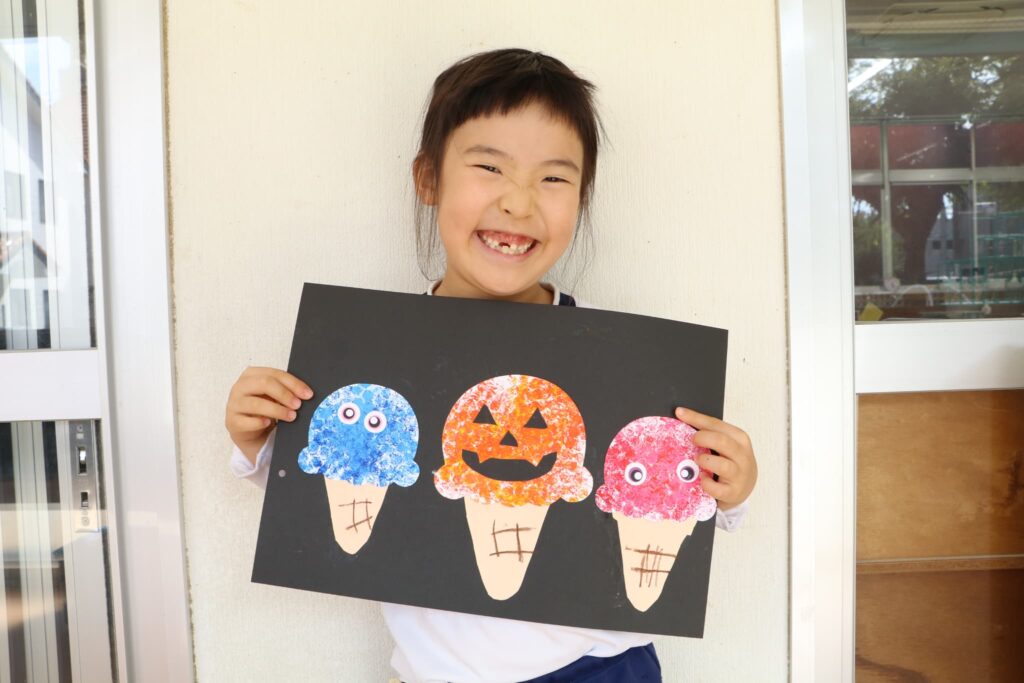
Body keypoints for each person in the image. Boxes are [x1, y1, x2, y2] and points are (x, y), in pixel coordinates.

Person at [225, 48, 758, 683]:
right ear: (429, 178)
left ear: (582, 197)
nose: (519, 203)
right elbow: (333, 490)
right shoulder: (371, 361)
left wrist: (732, 486)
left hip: (599, 669)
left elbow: (668, 499)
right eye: (489, 167)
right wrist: (259, 440)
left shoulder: (624, 362)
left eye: (554, 179)